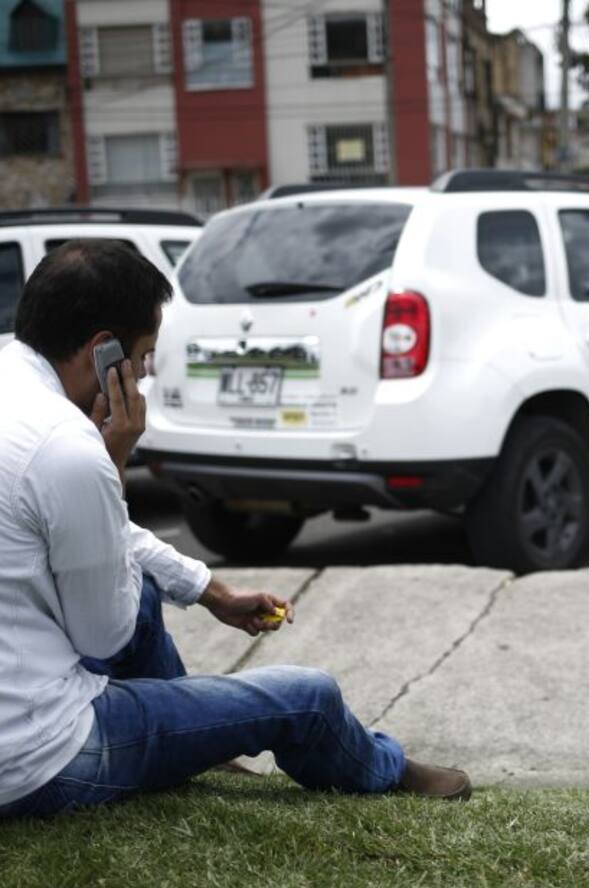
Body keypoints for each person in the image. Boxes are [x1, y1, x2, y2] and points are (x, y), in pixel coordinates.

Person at [0, 240, 470, 819]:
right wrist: (114, 459)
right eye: (143, 358)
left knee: (145, 588)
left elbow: (98, 538)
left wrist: (210, 591)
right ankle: (380, 766)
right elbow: (104, 639)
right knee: (309, 697)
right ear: (104, 351)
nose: (145, 375)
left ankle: (195, 737)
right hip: (38, 761)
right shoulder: (71, 451)